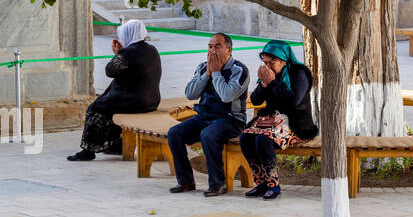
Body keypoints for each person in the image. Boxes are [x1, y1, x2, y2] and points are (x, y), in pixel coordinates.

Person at [167, 32, 250, 196]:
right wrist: (207, 74)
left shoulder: (239, 70)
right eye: (210, 46)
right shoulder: (203, 67)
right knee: (174, 133)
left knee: (208, 135)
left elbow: (226, 96)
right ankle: (186, 181)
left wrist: (217, 72)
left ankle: (218, 184)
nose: (212, 51)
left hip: (230, 119)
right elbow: (190, 94)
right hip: (204, 117)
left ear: (229, 50)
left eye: (217, 46)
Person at [67, 19, 161, 161]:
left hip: (135, 101)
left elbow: (110, 71)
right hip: (152, 101)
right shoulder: (152, 49)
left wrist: (117, 53)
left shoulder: (128, 53)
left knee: (95, 108)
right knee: (110, 104)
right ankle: (116, 145)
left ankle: (88, 150)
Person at [240, 40, 319, 200]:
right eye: (265, 62)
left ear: (283, 60)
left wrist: (273, 82)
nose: (268, 66)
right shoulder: (269, 75)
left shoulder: (299, 73)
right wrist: (263, 84)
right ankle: (261, 183)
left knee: (262, 140)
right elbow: (255, 100)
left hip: (296, 124)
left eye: (272, 62)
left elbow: (293, 101)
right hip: (272, 121)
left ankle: (273, 185)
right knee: (246, 138)